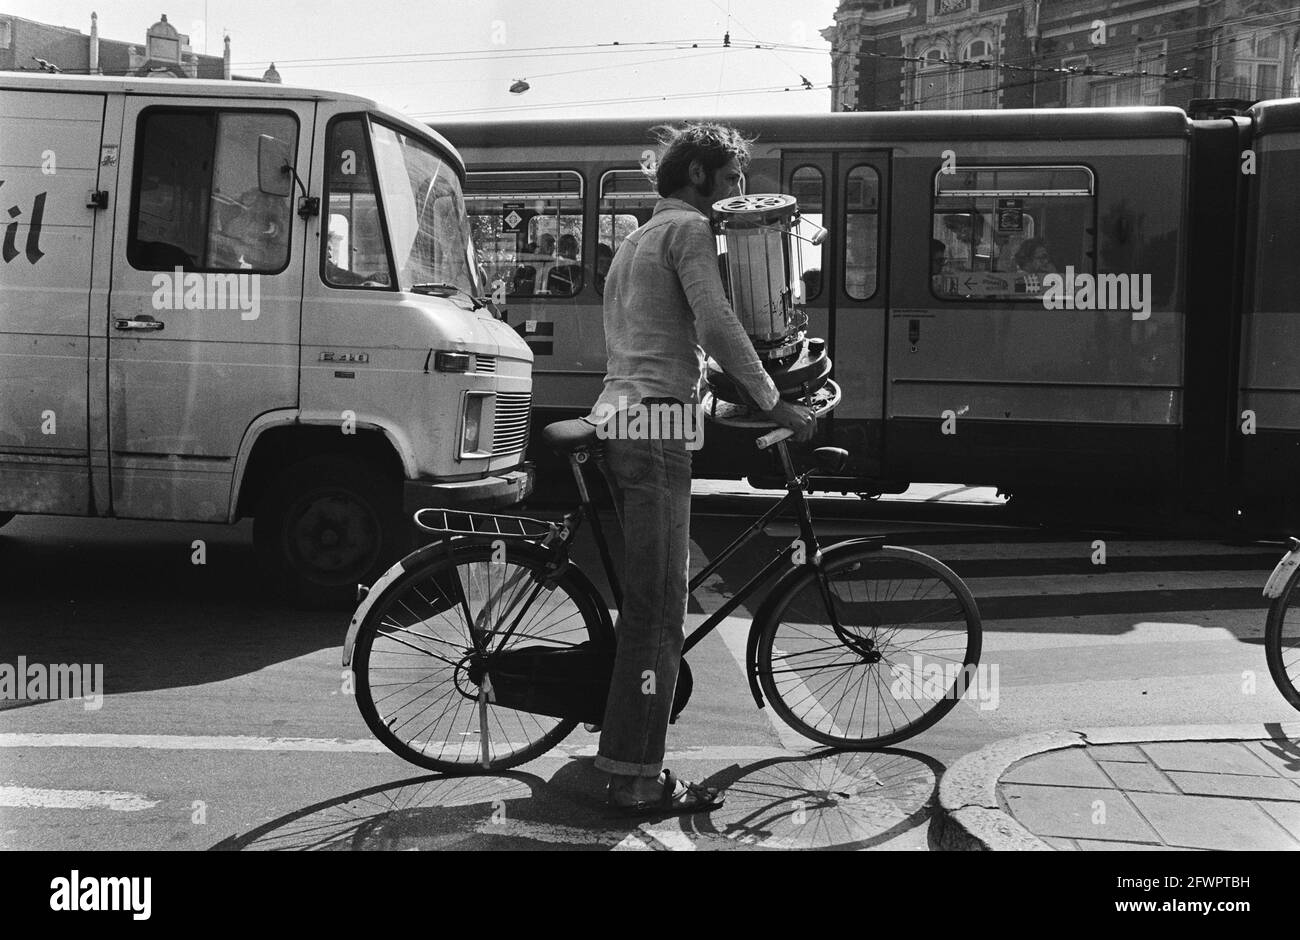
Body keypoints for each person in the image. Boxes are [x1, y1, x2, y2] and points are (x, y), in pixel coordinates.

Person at [588, 122, 815, 815]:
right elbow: (716, 322)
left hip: (625, 414)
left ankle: (622, 732)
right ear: (698, 177)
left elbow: (660, 340)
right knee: (659, 610)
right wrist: (776, 400)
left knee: (648, 600)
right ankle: (634, 776)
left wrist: (712, 392)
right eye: (735, 178)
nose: (741, 191)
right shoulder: (688, 232)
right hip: (656, 424)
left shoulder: (636, 238)